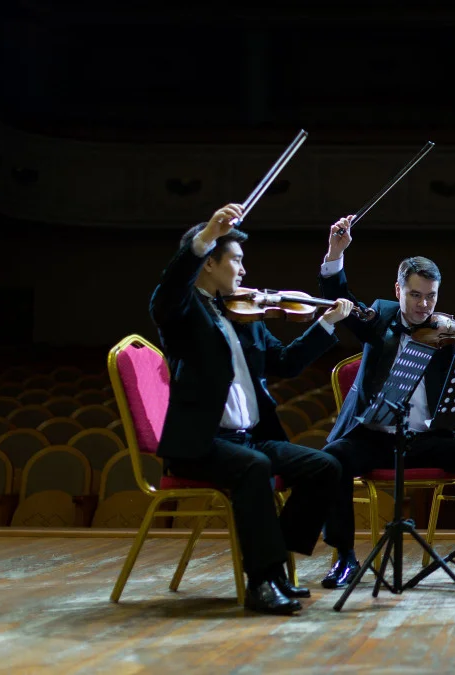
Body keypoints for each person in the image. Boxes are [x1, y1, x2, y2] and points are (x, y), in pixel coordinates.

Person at [149, 203, 353, 615]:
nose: (244, 271)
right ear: (209, 263)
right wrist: (205, 236)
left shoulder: (246, 314)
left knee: (326, 467)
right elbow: (166, 292)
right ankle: (263, 581)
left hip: (250, 439)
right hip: (202, 442)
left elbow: (286, 363)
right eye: (236, 261)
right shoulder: (183, 313)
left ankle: (275, 560)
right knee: (254, 468)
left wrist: (327, 324)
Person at [316, 215, 455, 588]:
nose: (423, 305)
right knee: (332, 458)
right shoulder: (378, 318)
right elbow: (339, 297)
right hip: (374, 437)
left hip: (426, 438)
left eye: (431, 296)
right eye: (414, 295)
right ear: (398, 289)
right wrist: (335, 254)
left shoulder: (446, 334)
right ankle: (345, 558)